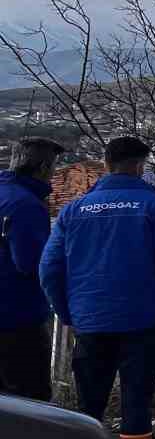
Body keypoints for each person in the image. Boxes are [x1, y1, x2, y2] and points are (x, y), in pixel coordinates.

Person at [40, 136, 155, 439]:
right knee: (135, 407)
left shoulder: (74, 211)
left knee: (87, 411)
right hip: (143, 322)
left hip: (91, 321)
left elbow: (49, 269)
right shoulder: (154, 208)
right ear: (140, 166)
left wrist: (68, 311)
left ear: (105, 164)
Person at [0, 137, 66, 400]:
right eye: (52, 167)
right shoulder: (26, 205)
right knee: (30, 400)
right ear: (42, 167)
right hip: (17, 317)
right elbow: (32, 263)